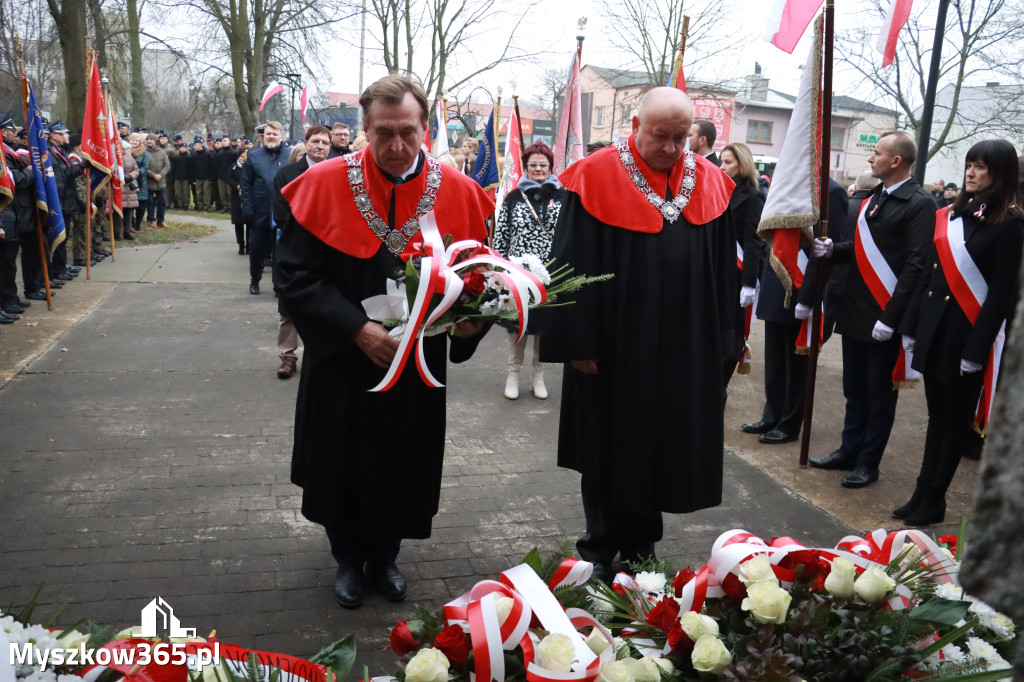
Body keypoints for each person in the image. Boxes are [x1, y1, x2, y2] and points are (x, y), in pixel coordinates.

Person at [275, 75, 494, 609]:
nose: (397, 147)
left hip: (416, 365)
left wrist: (472, 323)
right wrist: (354, 328)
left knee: (403, 458)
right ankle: (347, 556)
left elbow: (477, 278)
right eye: (384, 134)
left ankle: (388, 555)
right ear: (364, 129)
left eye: (408, 133)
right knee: (341, 456)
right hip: (343, 361)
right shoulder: (323, 184)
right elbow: (296, 277)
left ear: (426, 128)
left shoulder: (461, 193)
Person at [540, 87, 736, 582]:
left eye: (679, 138)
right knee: (608, 442)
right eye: (660, 136)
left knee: (661, 442)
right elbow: (567, 263)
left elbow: (723, 273)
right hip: (613, 344)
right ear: (634, 125)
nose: (671, 148)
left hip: (680, 344)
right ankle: (599, 545)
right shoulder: (594, 176)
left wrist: (723, 341)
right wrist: (578, 342)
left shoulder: (710, 182)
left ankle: (644, 542)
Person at [895, 140, 1024, 526]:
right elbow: (930, 276)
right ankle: (921, 491)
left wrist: (976, 349)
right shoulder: (951, 214)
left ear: (999, 174)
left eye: (981, 167)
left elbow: (1001, 294)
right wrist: (913, 327)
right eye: (969, 165)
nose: (970, 172)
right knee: (937, 416)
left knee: (954, 420)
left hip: (967, 336)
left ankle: (935, 499)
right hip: (936, 330)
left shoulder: (1011, 222)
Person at [809, 131, 936, 488]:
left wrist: (893, 319)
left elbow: (916, 265)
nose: (870, 159)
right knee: (854, 389)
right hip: (856, 310)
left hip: (884, 314)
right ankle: (848, 451)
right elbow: (865, 249)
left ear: (896, 161)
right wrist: (835, 248)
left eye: (876, 153)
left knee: (880, 396)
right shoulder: (876, 197)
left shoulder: (919, 202)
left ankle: (868, 462)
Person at [741, 178, 848, 444]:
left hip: (803, 287)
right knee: (775, 360)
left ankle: (789, 423)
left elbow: (826, 248)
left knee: (796, 364)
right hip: (777, 280)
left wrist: (810, 297)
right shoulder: (790, 184)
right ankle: (772, 414)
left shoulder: (831, 193)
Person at [493, 141, 563, 400]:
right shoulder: (513, 197)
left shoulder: (562, 196)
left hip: (551, 272)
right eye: (533, 165)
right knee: (517, 323)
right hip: (518, 272)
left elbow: (567, 234)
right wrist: (498, 267)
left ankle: (538, 373)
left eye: (543, 165)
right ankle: (513, 372)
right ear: (525, 167)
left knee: (543, 326)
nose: (538, 169)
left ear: (550, 166)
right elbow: (502, 234)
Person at [271, 126, 331, 379]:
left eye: (325, 143)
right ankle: (288, 356)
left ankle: (322, 354)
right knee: (289, 307)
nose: (320, 146)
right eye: (315, 141)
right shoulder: (287, 174)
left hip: (329, 251)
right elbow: (281, 213)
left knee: (325, 304)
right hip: (294, 250)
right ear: (305, 144)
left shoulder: (338, 174)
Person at [719, 142, 764, 399]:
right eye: (722, 161)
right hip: (716, 271)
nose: (722, 167)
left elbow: (752, 241)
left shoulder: (754, 196)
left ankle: (722, 384)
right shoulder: (717, 189)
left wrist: (749, 282)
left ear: (742, 164)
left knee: (732, 330)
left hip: (736, 275)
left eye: (728, 162)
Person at [241, 121, 288, 295]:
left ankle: (278, 285)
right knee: (257, 250)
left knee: (280, 253)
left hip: (281, 213)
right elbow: (245, 185)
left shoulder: (289, 155)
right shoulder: (253, 156)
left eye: (275, 134)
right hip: (259, 213)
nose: (271, 137)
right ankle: (255, 280)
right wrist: (247, 209)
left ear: (281, 136)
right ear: (263, 136)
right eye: (268, 134)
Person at [127, 133, 150, 237]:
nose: (134, 142)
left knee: (141, 204)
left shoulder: (143, 152)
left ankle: (138, 224)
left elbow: (146, 166)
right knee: (129, 204)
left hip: (141, 180)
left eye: (137, 141)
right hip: (128, 180)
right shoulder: (125, 150)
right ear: (129, 140)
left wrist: (136, 172)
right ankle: (130, 224)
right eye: (133, 140)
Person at [145, 134, 170, 227]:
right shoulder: (144, 152)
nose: (149, 141)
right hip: (149, 181)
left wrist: (160, 175)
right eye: (147, 139)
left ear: (155, 141)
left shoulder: (163, 152)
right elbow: (143, 167)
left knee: (162, 202)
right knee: (150, 202)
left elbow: (167, 166)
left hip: (161, 182)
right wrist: (153, 175)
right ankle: (152, 220)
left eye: (151, 139)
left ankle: (161, 220)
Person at [228, 148, 248, 255]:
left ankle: (249, 245)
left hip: (247, 197)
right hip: (236, 196)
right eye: (241, 156)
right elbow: (229, 178)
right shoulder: (233, 167)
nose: (242, 159)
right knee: (238, 223)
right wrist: (236, 185)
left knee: (249, 222)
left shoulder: (250, 166)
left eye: (244, 157)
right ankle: (241, 244)